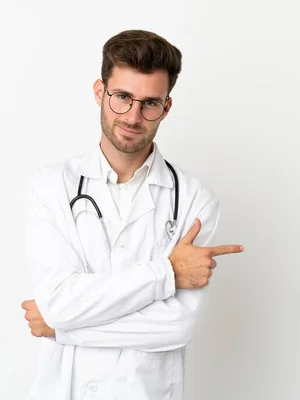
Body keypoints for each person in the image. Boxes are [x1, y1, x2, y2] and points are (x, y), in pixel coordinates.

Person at [21, 29, 244, 400]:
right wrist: (168, 272)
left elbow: (176, 325)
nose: (133, 116)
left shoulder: (194, 200)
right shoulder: (50, 186)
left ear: (167, 107)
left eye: (150, 103)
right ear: (99, 92)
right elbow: (58, 302)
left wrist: (61, 327)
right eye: (122, 97)